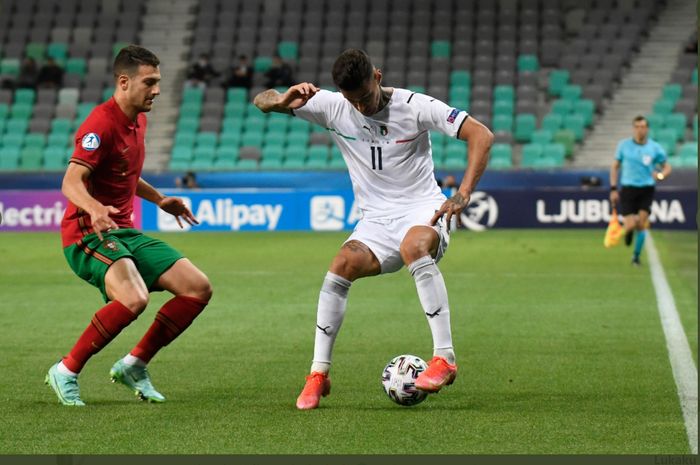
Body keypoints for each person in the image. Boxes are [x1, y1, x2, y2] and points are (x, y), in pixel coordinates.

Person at [254, 49, 493, 410]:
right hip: (375, 221)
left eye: (365, 97)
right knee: (340, 266)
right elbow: (261, 100)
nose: (361, 108)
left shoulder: (415, 105)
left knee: (415, 246)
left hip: (421, 208)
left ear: (377, 77)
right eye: (354, 101)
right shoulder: (333, 106)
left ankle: (444, 359)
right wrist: (281, 100)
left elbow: (481, 134)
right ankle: (318, 374)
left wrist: (462, 193)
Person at [45, 45, 213, 406]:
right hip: (87, 234)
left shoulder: (139, 119)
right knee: (134, 298)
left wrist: (159, 200)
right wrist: (94, 209)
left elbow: (124, 173)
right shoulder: (99, 123)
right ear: (124, 82)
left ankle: (134, 364)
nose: (156, 90)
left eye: (158, 82)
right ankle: (66, 370)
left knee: (197, 288)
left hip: (123, 232)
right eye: (149, 82)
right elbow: (71, 182)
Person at [609, 115, 671, 266]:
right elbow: (615, 167)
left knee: (641, 224)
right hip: (628, 188)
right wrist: (613, 188)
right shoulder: (623, 146)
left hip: (646, 189)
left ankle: (635, 257)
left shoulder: (654, 148)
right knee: (630, 225)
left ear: (647, 129)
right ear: (633, 128)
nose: (640, 130)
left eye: (642, 127)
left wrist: (661, 175)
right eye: (637, 127)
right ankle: (628, 232)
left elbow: (667, 167)